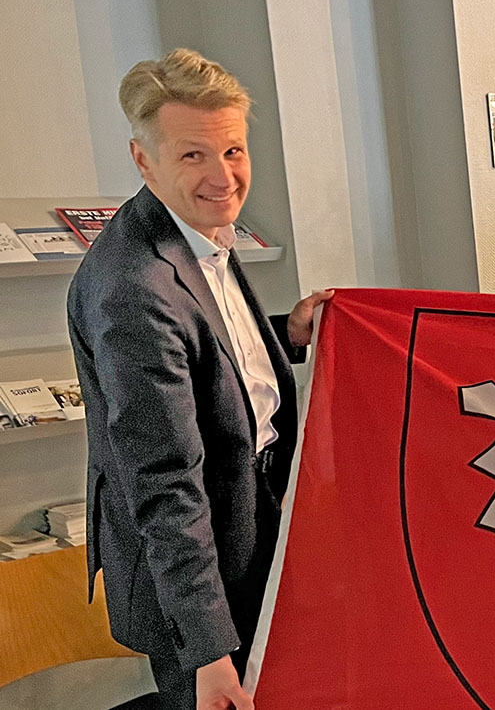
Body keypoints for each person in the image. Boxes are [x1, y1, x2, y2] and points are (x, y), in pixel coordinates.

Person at [67, 49, 333, 710]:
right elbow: (164, 486)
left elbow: (205, 351)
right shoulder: (133, 291)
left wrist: (286, 333)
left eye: (233, 151)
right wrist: (210, 655)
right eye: (194, 155)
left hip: (249, 528)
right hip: (199, 575)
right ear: (143, 159)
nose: (224, 177)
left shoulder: (192, 226)